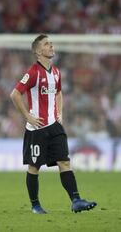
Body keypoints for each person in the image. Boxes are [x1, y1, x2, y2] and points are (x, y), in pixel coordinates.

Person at [10, 34, 97, 214]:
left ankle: (76, 200)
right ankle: (35, 205)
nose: (51, 46)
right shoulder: (33, 72)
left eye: (51, 43)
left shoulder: (56, 72)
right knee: (34, 167)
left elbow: (58, 93)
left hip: (54, 127)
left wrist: (59, 112)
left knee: (64, 162)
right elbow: (15, 94)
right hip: (37, 129)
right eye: (47, 44)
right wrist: (27, 116)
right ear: (38, 51)